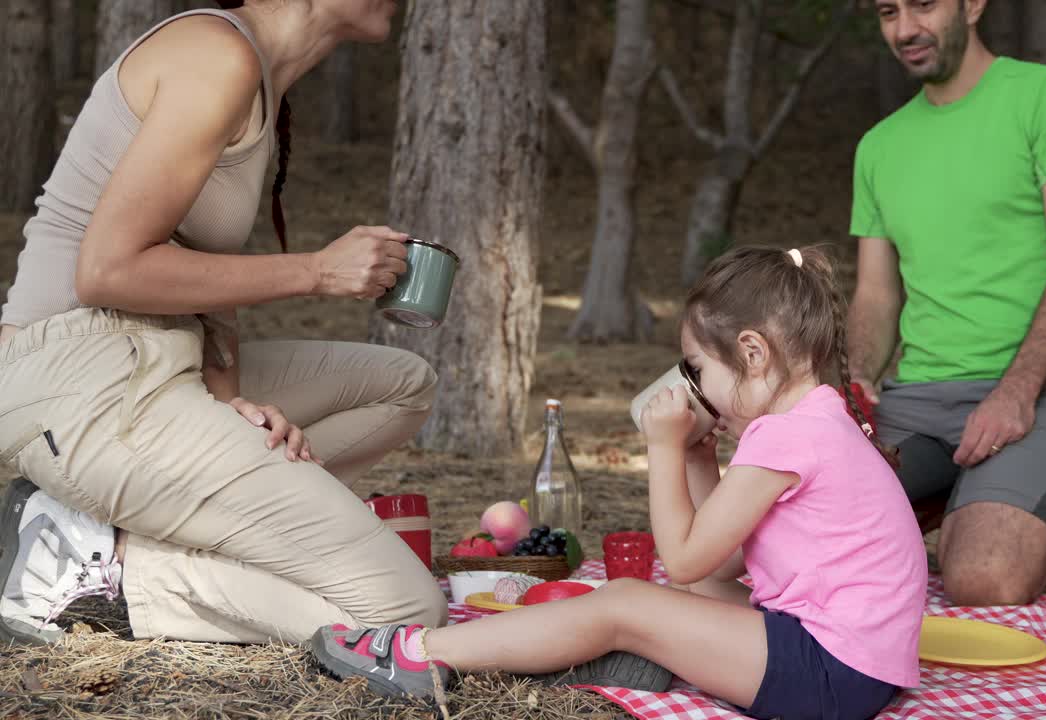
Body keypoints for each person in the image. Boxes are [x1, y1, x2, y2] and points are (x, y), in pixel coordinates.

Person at [309, 245, 928, 720]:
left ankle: (420, 656)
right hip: (856, 668)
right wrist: (696, 457)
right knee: (680, 605)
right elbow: (724, 564)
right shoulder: (817, 418)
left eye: (697, 369)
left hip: (833, 675)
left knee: (628, 602)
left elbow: (684, 562)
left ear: (753, 352)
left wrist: (661, 449)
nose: (692, 385)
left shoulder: (785, 437)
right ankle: (620, 652)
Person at [0, 0, 450, 646]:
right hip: (79, 382)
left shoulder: (260, 77)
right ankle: (111, 575)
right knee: (404, 612)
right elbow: (108, 271)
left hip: (147, 358)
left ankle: (127, 528)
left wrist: (229, 400)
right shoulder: (218, 56)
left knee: (401, 383)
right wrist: (318, 272)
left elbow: (206, 267)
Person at [847, 0, 1046, 606]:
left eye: (923, 5)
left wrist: (1015, 393)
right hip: (917, 402)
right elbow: (876, 289)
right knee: (788, 527)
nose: (905, 30)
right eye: (888, 11)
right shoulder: (879, 145)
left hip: (1043, 389)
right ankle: (978, 486)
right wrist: (860, 377)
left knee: (980, 580)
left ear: (973, 4)